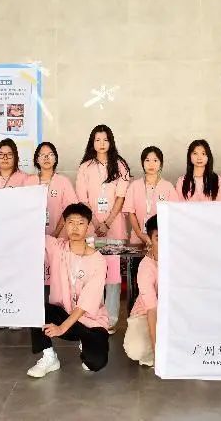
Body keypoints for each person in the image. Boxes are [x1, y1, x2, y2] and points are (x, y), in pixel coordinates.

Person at [27, 203, 110, 378]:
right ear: (64, 224)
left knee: (95, 363)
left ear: (88, 226)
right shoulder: (57, 247)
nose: (75, 227)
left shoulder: (98, 261)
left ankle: (84, 342)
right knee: (37, 310)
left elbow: (86, 303)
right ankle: (49, 357)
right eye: (71, 222)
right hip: (62, 313)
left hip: (90, 322)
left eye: (80, 223)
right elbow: (29, 233)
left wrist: (61, 328)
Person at [75, 125, 131, 333]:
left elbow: (121, 197)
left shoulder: (120, 165)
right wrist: (96, 223)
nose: (101, 144)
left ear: (111, 142)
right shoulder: (85, 167)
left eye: (105, 139)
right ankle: (93, 316)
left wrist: (107, 222)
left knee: (113, 274)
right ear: (92, 142)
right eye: (97, 140)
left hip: (114, 227)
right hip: (91, 228)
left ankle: (112, 317)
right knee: (93, 273)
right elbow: (83, 198)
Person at [31, 142, 78, 297]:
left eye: (50, 154)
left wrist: (55, 234)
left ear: (55, 158)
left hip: (58, 240)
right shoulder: (29, 181)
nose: (46, 158)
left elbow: (69, 211)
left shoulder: (63, 181)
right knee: (35, 281)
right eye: (42, 155)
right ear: (36, 159)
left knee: (56, 281)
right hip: (34, 241)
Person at [124, 215, 159, 367]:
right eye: (158, 238)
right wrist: (158, 352)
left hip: (173, 313)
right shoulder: (146, 267)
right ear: (149, 239)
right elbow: (152, 310)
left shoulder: (181, 259)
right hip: (147, 313)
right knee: (135, 349)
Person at [124, 146, 177, 246]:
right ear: (142, 163)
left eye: (155, 160)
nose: (151, 164)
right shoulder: (134, 186)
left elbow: (173, 214)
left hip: (160, 241)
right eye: (147, 160)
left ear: (161, 164)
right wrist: (140, 235)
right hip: (137, 240)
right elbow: (131, 213)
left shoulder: (168, 187)